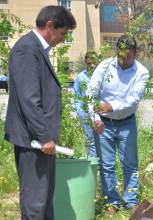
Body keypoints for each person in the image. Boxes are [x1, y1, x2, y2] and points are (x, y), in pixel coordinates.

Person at [4, 6, 76, 219]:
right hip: (34, 141)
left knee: (45, 199)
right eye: (63, 33)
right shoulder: (26, 49)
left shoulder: (37, 50)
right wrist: (44, 137)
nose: (63, 39)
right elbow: (29, 100)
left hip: (42, 142)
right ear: (49, 26)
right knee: (36, 202)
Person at [86, 35, 149, 215]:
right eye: (120, 56)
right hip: (103, 124)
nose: (124, 60)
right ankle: (111, 202)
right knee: (107, 165)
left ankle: (131, 201)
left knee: (130, 163)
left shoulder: (142, 72)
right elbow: (90, 94)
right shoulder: (104, 66)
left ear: (136, 53)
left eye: (128, 56)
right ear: (116, 52)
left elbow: (134, 98)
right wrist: (95, 119)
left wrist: (112, 106)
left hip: (127, 123)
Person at [74, 51, 98, 157]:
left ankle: (101, 164)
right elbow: (77, 95)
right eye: (89, 63)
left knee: (102, 139)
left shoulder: (101, 76)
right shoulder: (80, 77)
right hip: (85, 112)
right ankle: (92, 164)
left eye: (94, 63)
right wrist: (79, 111)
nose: (91, 66)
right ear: (85, 62)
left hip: (99, 111)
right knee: (89, 139)